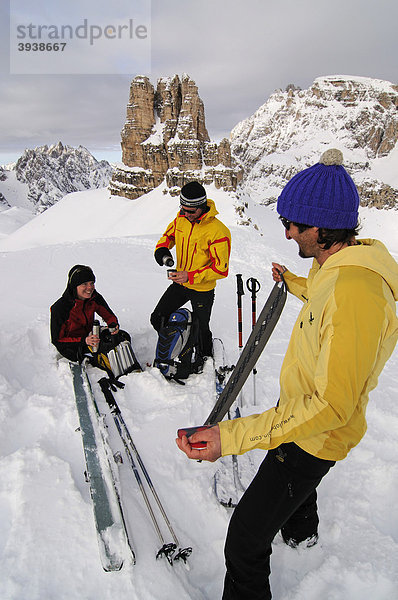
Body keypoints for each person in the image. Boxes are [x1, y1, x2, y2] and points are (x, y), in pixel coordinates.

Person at [176, 149, 398, 599]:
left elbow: (331, 407)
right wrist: (293, 282)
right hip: (305, 420)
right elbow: (323, 293)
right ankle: (302, 534)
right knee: (299, 490)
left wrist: (229, 437)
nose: (285, 232)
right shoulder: (337, 265)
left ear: (319, 229)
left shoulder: (356, 292)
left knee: (244, 539)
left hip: (314, 434)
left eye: (292, 225)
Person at [151, 181, 231, 359]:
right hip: (181, 283)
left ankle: (204, 358)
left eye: (191, 211)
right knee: (158, 318)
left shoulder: (218, 232)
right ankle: (175, 346)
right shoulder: (181, 218)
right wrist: (162, 250)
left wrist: (190, 276)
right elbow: (168, 236)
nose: (186, 214)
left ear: (202, 207)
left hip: (202, 288)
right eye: (183, 209)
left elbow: (221, 269)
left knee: (202, 329)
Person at [50, 264, 119, 363]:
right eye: (84, 284)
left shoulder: (94, 297)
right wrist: (84, 341)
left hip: (90, 337)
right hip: (71, 346)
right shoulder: (60, 308)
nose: (89, 288)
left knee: (121, 337)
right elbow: (58, 340)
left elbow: (108, 314)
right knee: (103, 352)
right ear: (74, 286)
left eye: (92, 283)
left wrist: (113, 325)